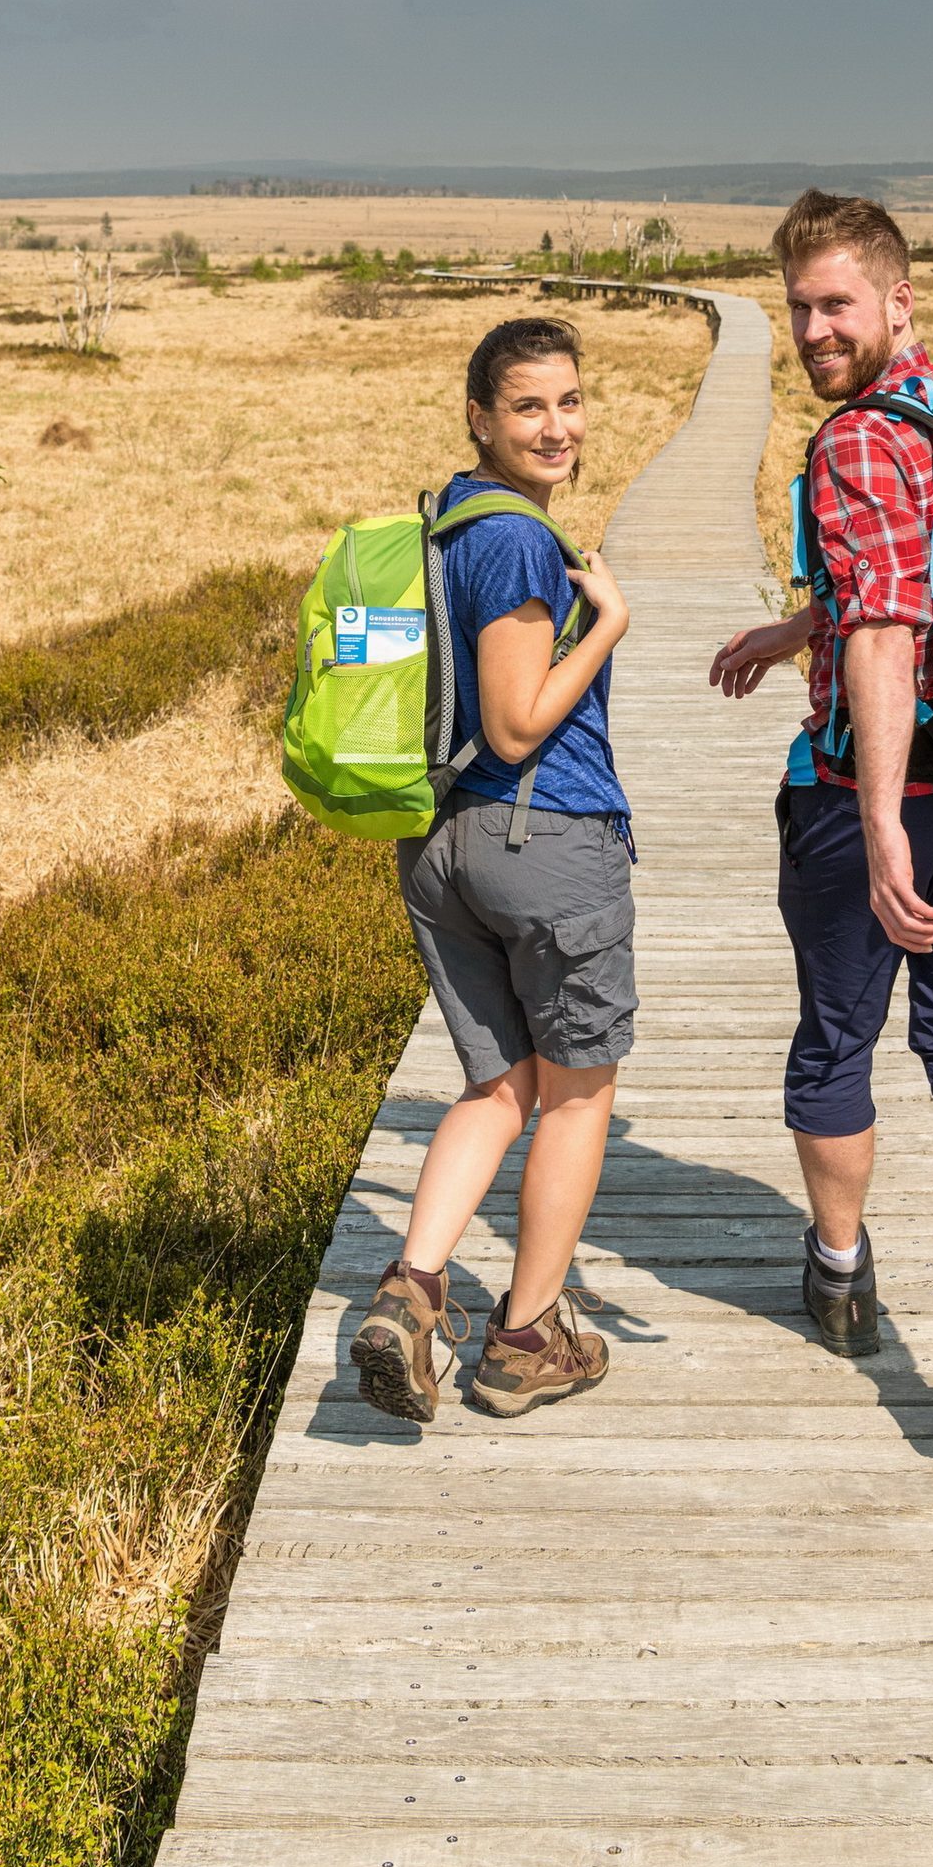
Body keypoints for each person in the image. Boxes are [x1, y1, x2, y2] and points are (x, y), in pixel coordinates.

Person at [708, 190, 933, 1454]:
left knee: (835, 1045)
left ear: (895, 301)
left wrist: (873, 823)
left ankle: (841, 1274)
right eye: (798, 306)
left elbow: (886, 624)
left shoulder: (857, 441)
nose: (812, 328)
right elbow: (922, 572)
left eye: (834, 305)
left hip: (881, 798)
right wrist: (789, 624)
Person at [351, 316, 633, 1424]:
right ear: (479, 415)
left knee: (496, 1084)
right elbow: (516, 725)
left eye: (569, 402)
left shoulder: (448, 520)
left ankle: (411, 1295)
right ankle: (525, 1340)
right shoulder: (518, 541)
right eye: (528, 406)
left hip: (439, 850)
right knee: (575, 1091)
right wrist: (605, 624)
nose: (556, 426)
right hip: (541, 840)